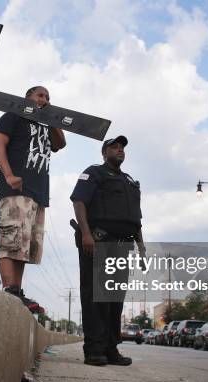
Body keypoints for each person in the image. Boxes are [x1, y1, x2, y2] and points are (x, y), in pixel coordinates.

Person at [70, 135, 145, 366]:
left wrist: (141, 248)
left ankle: (111, 349)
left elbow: (136, 219)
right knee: (95, 297)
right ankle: (94, 350)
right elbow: (79, 202)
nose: (120, 150)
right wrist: (86, 234)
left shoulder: (130, 181)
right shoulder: (94, 172)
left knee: (115, 299)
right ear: (104, 153)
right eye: (114, 147)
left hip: (123, 246)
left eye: (122, 147)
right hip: (98, 240)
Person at [0, 86, 66, 313]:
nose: (44, 99)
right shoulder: (14, 115)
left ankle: (16, 292)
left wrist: (51, 115)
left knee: (24, 248)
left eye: (48, 97)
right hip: (16, 188)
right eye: (40, 95)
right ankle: (10, 291)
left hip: (38, 193)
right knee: (10, 240)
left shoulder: (45, 124)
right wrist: (8, 174)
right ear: (27, 98)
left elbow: (60, 144)